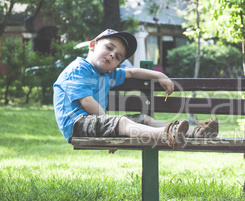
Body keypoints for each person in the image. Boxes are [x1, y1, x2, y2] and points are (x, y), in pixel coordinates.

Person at [53, 29, 218, 150]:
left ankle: (193, 132)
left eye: (118, 57)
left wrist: (160, 76)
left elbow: (132, 72)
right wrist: (111, 130)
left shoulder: (108, 75)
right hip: (76, 125)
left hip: (96, 123)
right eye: (109, 48)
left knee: (143, 118)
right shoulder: (79, 68)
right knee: (122, 122)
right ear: (93, 45)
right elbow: (87, 102)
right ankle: (166, 134)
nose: (112, 55)